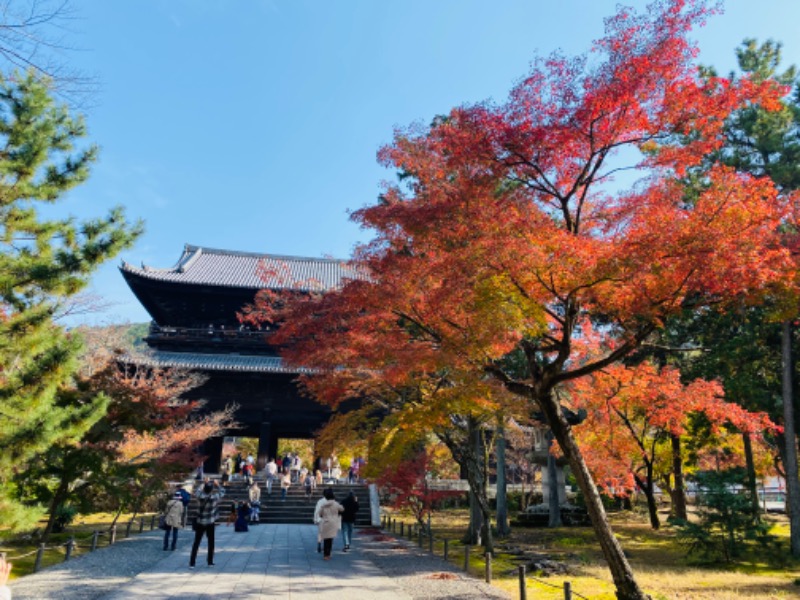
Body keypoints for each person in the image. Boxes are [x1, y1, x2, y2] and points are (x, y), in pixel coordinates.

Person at [189, 479, 225, 569]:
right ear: (211, 490)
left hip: (200, 521)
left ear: (204, 489)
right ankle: (210, 562)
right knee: (211, 542)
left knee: (196, 543)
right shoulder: (214, 497)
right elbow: (223, 491)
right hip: (210, 522)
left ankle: (192, 563)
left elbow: (196, 491)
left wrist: (203, 483)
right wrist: (217, 484)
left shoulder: (200, 496)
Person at [317, 488, 343, 560]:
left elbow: (320, 514)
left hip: (326, 522)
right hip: (333, 523)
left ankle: (325, 555)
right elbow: (342, 509)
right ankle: (328, 554)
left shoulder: (323, 505)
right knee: (330, 539)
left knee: (326, 539)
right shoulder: (336, 504)